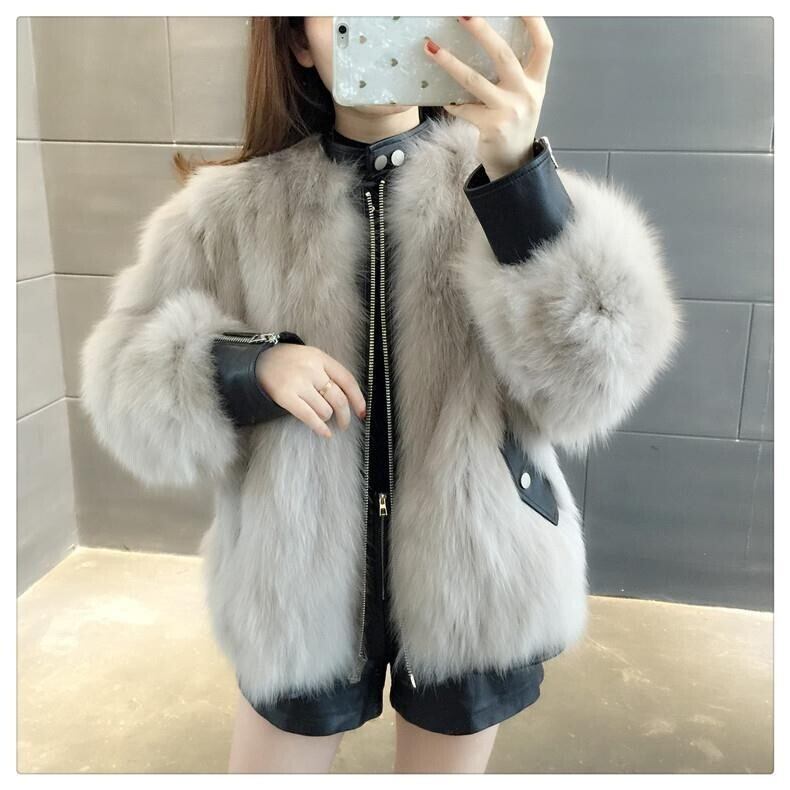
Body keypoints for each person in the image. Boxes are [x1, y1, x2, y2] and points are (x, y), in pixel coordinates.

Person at [80, 17, 683, 773]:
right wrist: (249, 366)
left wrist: (517, 184)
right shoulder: (225, 212)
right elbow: (121, 379)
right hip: (294, 582)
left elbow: (598, 378)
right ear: (299, 43)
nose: (380, 23)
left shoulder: (502, 179)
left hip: (477, 575)